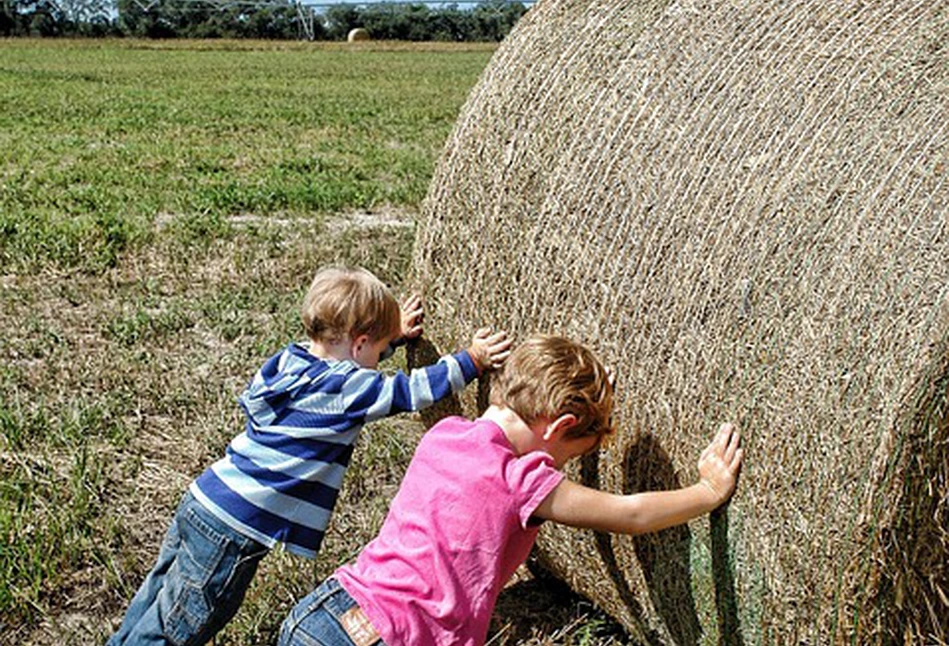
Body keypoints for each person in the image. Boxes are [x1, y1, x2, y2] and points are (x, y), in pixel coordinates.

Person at [106, 266, 512, 646]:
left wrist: (392, 338)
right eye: (382, 347)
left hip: (205, 499)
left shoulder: (292, 359)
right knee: (183, 623)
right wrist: (471, 360)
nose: (383, 356)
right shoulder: (350, 389)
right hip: (235, 528)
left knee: (156, 600)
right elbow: (410, 391)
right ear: (359, 342)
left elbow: (350, 363)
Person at [277, 334, 744, 646]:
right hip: (392, 636)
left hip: (324, 610)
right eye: (581, 444)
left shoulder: (447, 433)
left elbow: (527, 450)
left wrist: (582, 406)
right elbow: (631, 514)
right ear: (561, 425)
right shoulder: (523, 484)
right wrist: (706, 490)